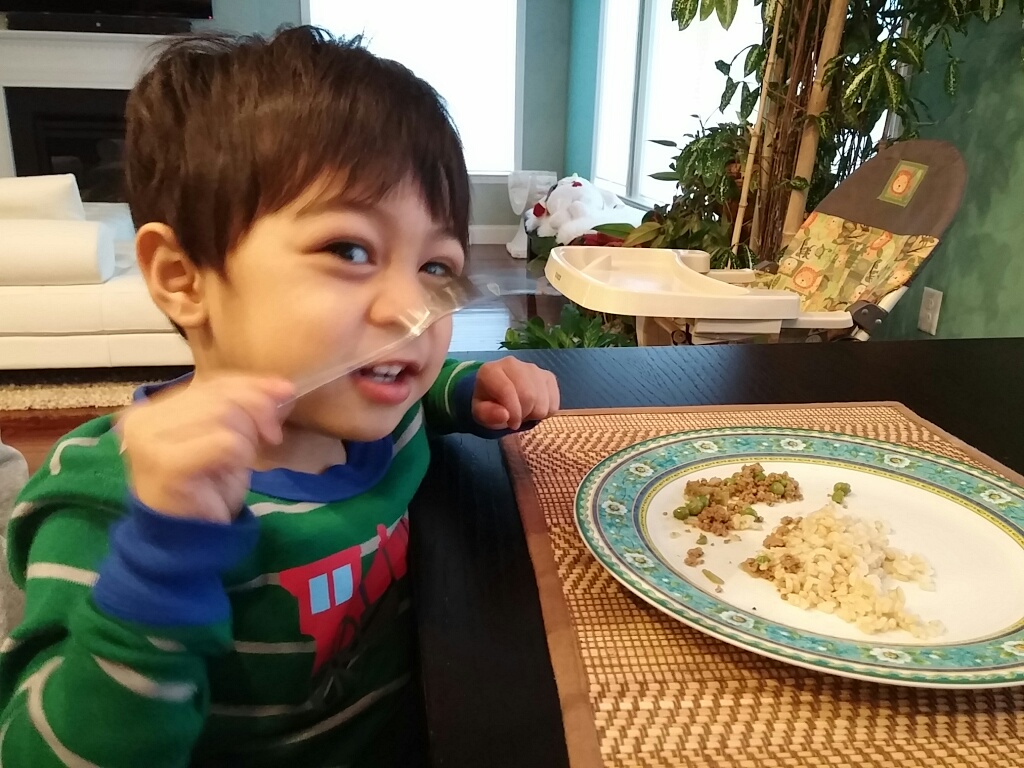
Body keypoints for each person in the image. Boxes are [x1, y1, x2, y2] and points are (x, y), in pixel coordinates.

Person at [0, 26, 560, 767]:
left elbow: (409, 395)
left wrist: (463, 388)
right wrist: (164, 562)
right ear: (182, 276)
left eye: (436, 268)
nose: (409, 311)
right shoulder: (118, 505)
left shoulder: (368, 420)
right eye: (349, 250)